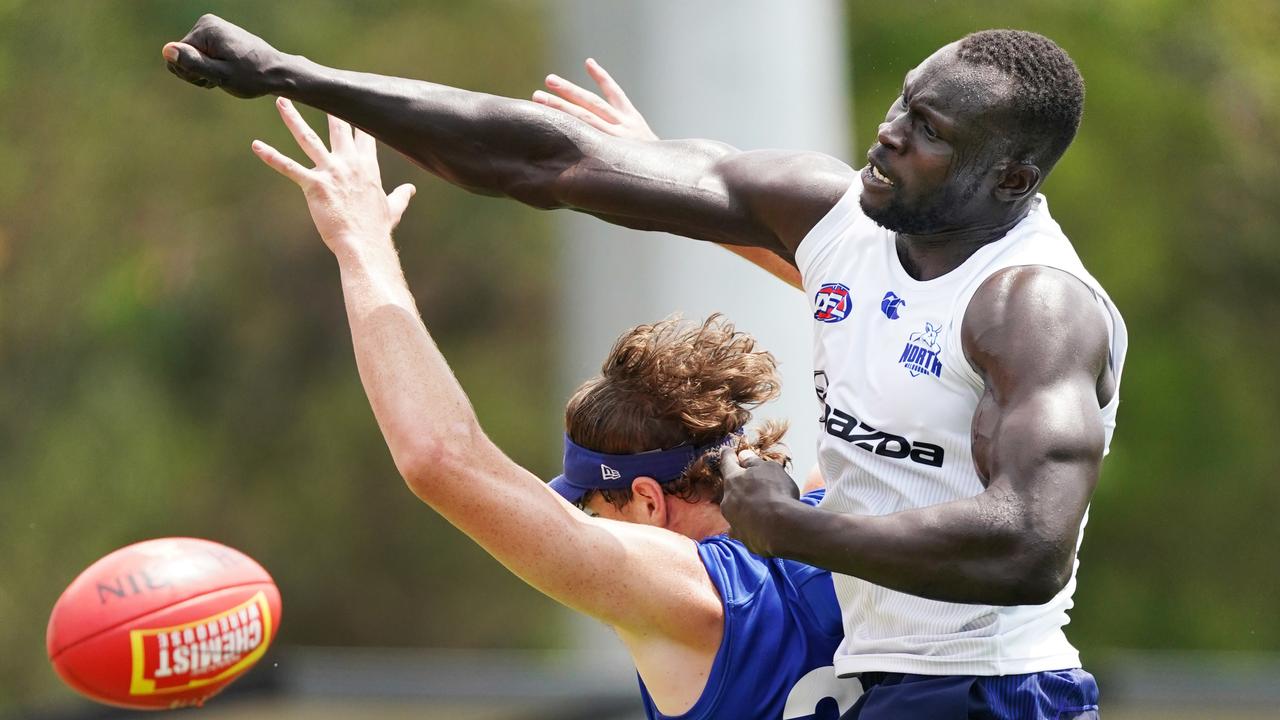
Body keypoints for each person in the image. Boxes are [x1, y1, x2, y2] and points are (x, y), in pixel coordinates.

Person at [166, 17, 1125, 717]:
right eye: (901, 103)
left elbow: (1028, 549)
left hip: (995, 691)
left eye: (929, 133)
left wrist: (793, 529)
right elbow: (545, 160)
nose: (889, 134)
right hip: (889, 681)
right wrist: (299, 73)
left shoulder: (1033, 309)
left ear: (1012, 178)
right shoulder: (840, 226)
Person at [248, 98, 862, 719]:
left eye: (594, 510)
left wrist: (360, 244)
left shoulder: (690, 600)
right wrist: (666, 181)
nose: (587, 528)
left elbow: (440, 458)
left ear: (648, 500)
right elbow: (860, 286)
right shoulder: (855, 503)